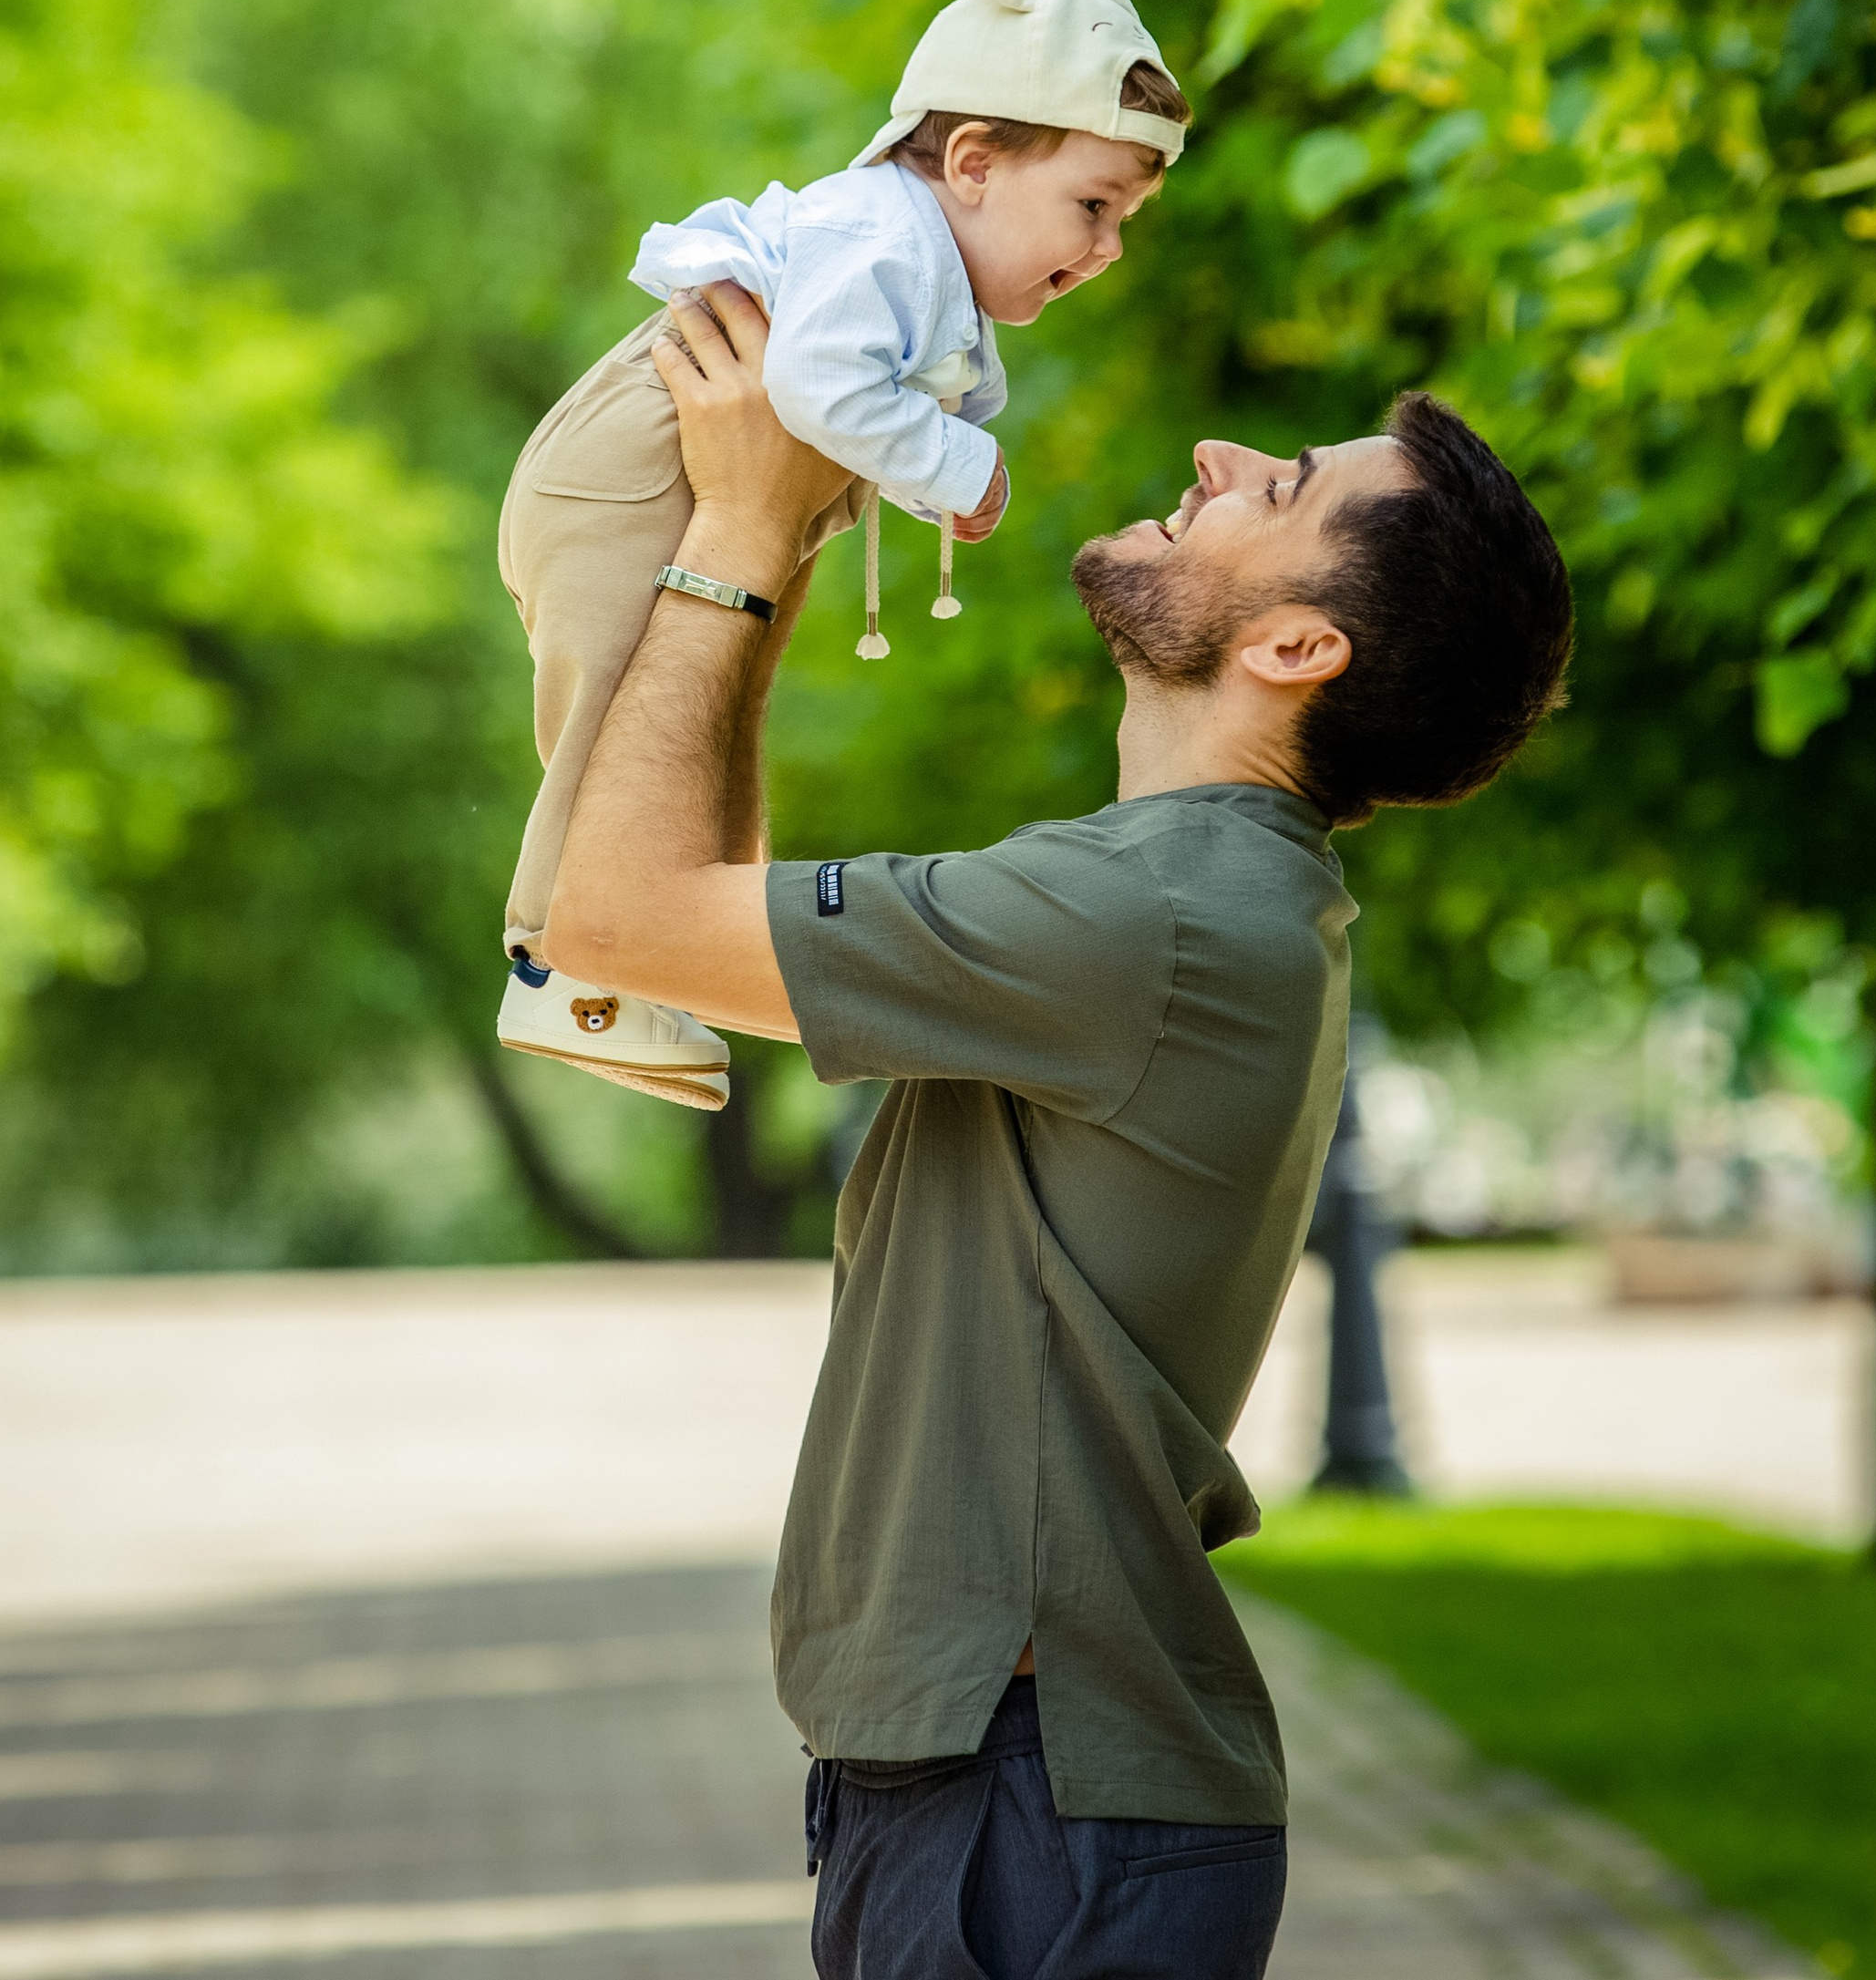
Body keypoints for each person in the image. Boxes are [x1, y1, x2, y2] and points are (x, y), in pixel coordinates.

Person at [540, 277, 1573, 1980]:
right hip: (1008, 1795)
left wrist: (735, 529)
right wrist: (773, 540)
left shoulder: (1150, 915)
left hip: (1033, 1807)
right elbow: (690, 918)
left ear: (1296, 647)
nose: (1217, 453)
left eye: (1278, 485)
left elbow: (614, 919)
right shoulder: (1179, 898)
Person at [495, 0, 1191, 1106]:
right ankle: (559, 968)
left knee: (695, 710)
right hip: (624, 476)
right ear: (972, 162)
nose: (1110, 245)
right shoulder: (885, 240)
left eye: (1125, 218)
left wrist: (933, 473)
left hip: (659, 475)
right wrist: (956, 469)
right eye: (1093, 205)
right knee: (614, 723)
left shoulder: (923, 262)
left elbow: (863, 401)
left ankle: (654, 960)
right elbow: (820, 386)